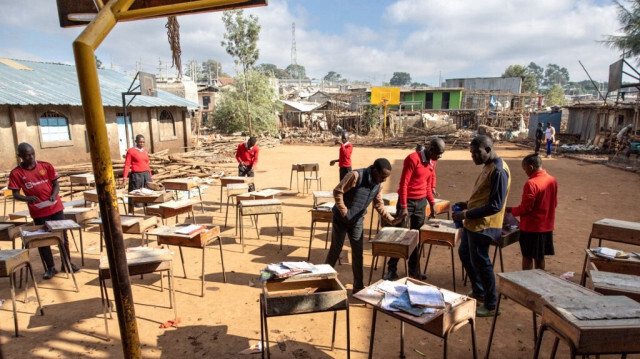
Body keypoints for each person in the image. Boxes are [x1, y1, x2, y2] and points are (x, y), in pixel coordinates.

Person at [325, 158, 405, 293]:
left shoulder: (378, 185)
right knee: (335, 249)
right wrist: (344, 212)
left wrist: (391, 220)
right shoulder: (355, 175)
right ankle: (323, 280)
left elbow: (379, 204)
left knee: (358, 253)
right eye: (383, 176)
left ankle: (358, 286)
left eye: (387, 177)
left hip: (357, 221)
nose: (384, 180)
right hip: (341, 219)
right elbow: (338, 191)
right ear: (375, 171)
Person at [452, 135, 510, 317]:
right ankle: (479, 291)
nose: (473, 157)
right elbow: (482, 195)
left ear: (487, 150)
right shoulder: (488, 167)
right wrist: (467, 204)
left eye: (476, 153)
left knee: (482, 262)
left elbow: (495, 205)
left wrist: (466, 214)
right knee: (465, 254)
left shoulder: (499, 171)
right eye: (471, 153)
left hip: (484, 225)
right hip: (473, 223)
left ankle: (491, 304)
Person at [8, 143, 79, 279]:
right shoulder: (16, 173)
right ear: (20, 156)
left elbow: (56, 184)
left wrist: (54, 195)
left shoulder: (45, 166)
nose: (31, 157)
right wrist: (27, 198)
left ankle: (67, 262)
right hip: (38, 211)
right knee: (43, 238)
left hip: (55, 207)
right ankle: (50, 267)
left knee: (62, 236)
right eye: (27, 155)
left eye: (33, 153)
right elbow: (15, 194)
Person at [385, 138, 446, 280]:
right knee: (399, 235)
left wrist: (431, 203)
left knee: (416, 238)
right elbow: (403, 184)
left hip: (421, 203)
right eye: (438, 154)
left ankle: (414, 270)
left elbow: (428, 184)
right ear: (431, 149)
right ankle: (391, 270)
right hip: (407, 202)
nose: (439, 157)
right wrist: (404, 207)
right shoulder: (412, 159)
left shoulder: (432, 161)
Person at [507, 154, 557, 270]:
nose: (525, 172)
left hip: (531, 228)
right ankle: (538, 282)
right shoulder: (552, 180)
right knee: (540, 257)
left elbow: (526, 208)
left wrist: (510, 210)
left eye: (525, 169)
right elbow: (554, 203)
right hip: (546, 226)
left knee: (527, 256)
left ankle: (527, 281)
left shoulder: (531, 183)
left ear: (531, 167)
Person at [122, 134, 152, 212]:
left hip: (146, 175)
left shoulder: (145, 152)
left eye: (143, 142)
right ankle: (132, 213)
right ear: (136, 142)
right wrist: (124, 179)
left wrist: (150, 176)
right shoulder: (131, 151)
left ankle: (147, 214)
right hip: (136, 176)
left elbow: (147, 164)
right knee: (136, 195)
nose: (141, 143)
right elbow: (127, 165)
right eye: (140, 142)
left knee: (147, 194)